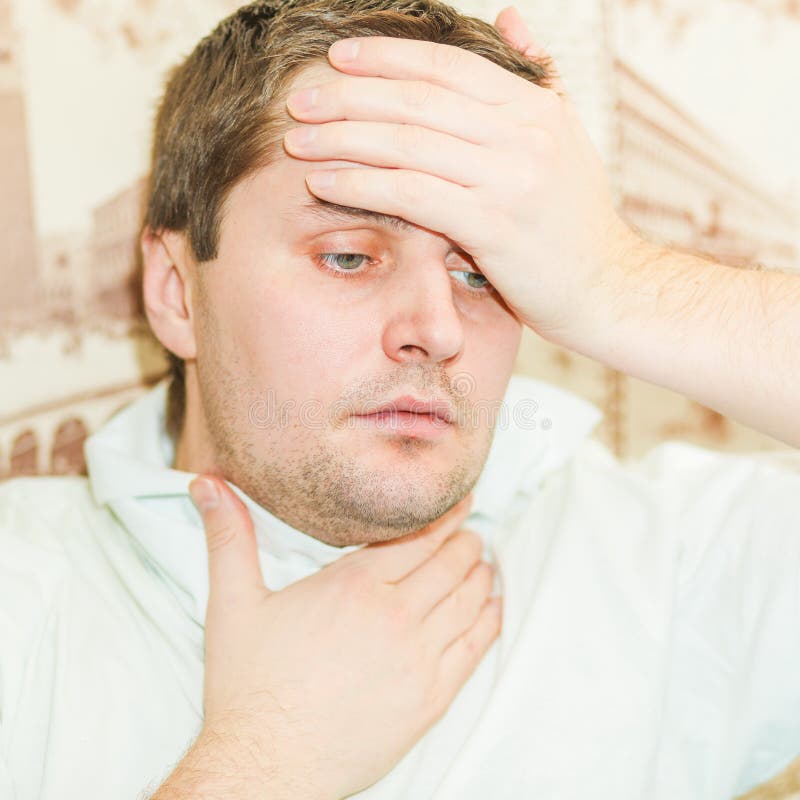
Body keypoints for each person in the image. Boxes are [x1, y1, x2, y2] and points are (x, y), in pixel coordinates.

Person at [1, 1, 798, 798]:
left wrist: (617, 282)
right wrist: (263, 763)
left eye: (481, 269)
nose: (437, 328)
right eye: (348, 256)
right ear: (177, 291)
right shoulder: (24, 592)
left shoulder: (669, 564)